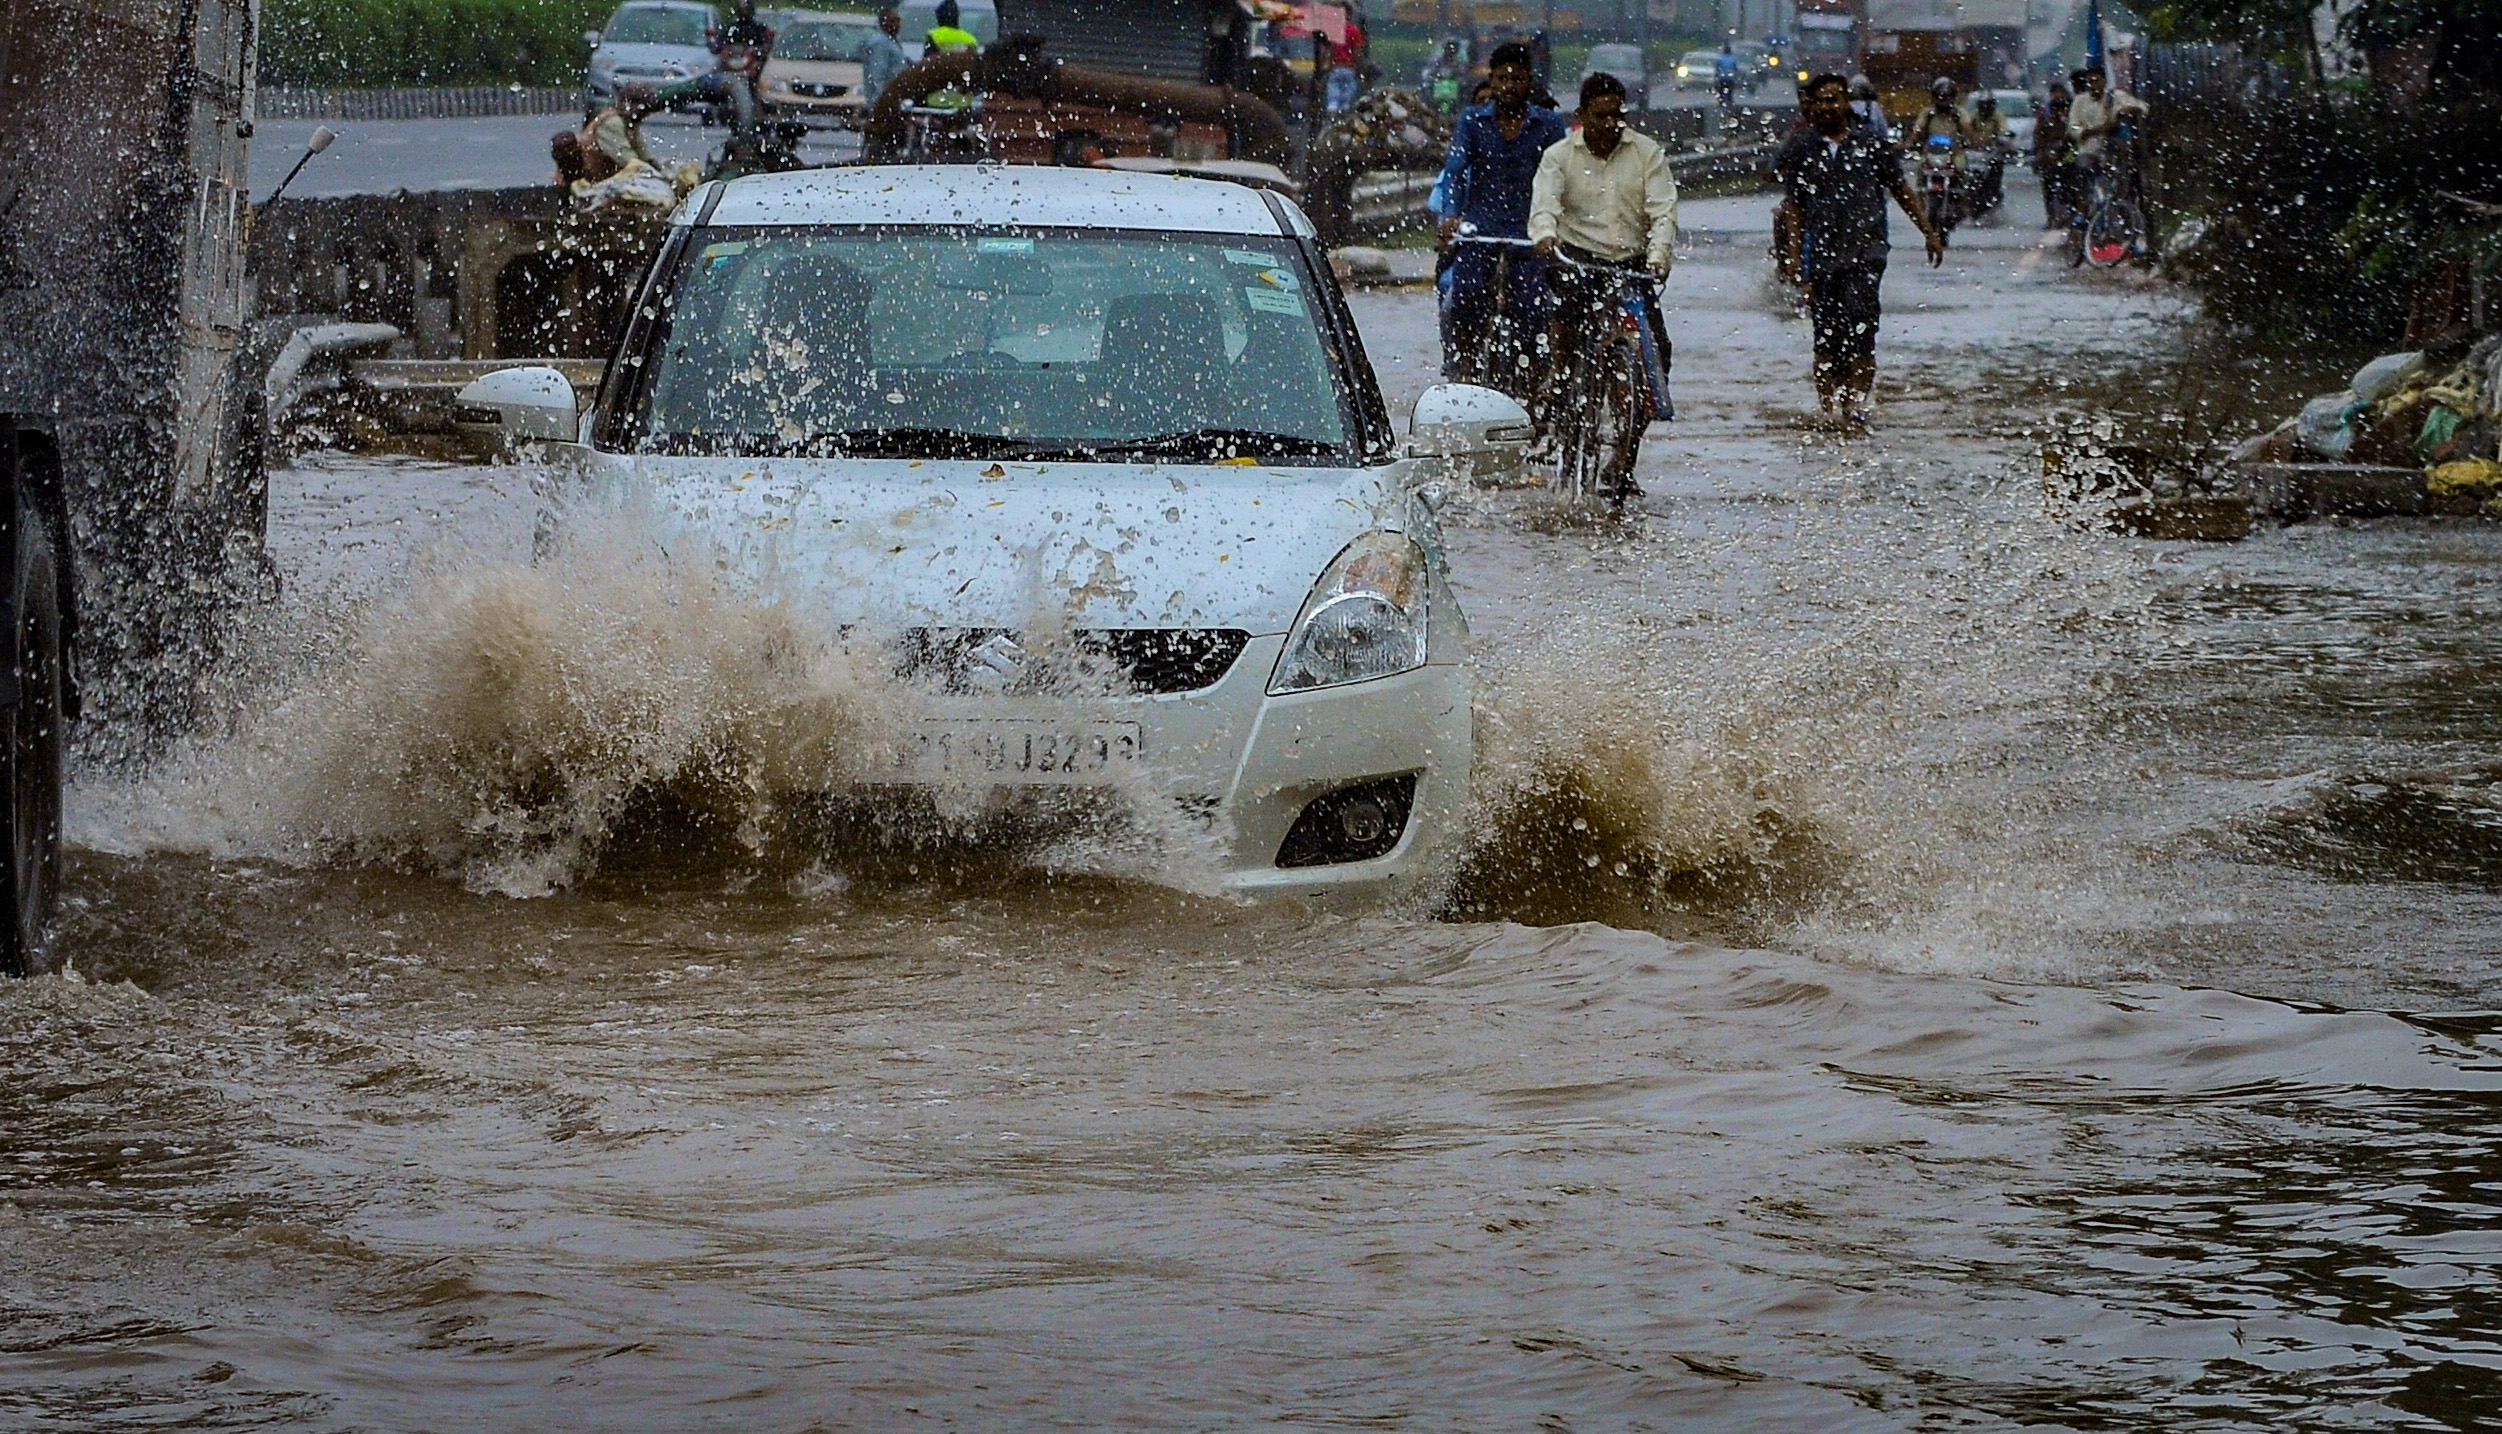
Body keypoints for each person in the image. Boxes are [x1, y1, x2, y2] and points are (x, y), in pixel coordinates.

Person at [1528, 71, 1679, 499]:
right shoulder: (1559, 156)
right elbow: (1545, 202)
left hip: (1631, 266)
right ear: (1581, 116)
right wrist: (1544, 235)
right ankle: (1560, 393)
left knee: (1656, 361)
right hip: (1576, 260)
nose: (1611, 124)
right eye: (1601, 116)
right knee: (1566, 346)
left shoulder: (1647, 153)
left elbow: (1663, 211)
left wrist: (1658, 256)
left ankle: (1623, 458)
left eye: (1617, 115)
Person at [1774, 72, 1946, 429]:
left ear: (1846, 102)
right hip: (1821, 257)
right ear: (1813, 106)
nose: (1828, 106)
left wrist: (1928, 232)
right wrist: (1793, 259)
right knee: (1826, 339)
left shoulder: (1870, 144)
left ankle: (1856, 406)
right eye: (1821, 100)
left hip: (1867, 252)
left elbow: (1900, 189)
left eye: (1834, 99)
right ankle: (1828, 410)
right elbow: (1794, 208)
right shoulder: (1802, 147)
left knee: (1862, 332)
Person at [1436, 43, 1569, 384]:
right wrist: (1451, 215)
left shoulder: (1549, 125)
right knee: (1466, 294)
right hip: (1480, 229)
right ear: (1491, 82)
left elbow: (1561, 177)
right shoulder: (1472, 121)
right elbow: (1455, 171)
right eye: (1502, 78)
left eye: (1518, 78)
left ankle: (1534, 378)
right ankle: (1465, 364)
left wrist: (1554, 226)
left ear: (1529, 81)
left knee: (1534, 307)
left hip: (1530, 233)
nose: (1509, 86)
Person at [2036, 82, 2073, 227]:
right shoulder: (2045, 114)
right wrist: (2043, 151)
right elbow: (2038, 135)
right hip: (2048, 153)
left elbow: (2074, 133)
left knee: (2067, 182)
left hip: (2068, 153)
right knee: (2048, 184)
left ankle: (2065, 212)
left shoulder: (2072, 112)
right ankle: (2051, 215)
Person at [860, 6, 911, 108]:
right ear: (883, 22)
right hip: (883, 102)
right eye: (892, 21)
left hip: (894, 98)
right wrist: (883, 100)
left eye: (898, 21)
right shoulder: (879, 44)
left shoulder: (892, 41)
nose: (896, 25)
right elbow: (877, 74)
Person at [1420, 39, 1466, 113]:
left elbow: (1462, 74)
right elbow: (1431, 71)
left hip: (1452, 87)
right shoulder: (1438, 62)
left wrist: (1458, 79)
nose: (1449, 51)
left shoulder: (1458, 63)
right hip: (1438, 86)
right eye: (1447, 48)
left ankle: (1460, 108)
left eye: (1451, 49)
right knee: (1427, 88)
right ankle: (1429, 107)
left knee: (1464, 90)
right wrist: (1433, 77)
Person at [1847, 73, 1889, 142]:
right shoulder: (1873, 105)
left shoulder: (1847, 105)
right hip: (1871, 144)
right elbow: (1883, 130)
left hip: (1851, 143)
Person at [1714, 42, 1741, 110]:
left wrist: (1716, 75)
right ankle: (1729, 103)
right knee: (1730, 92)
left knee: (1721, 91)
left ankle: (1721, 102)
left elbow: (1717, 67)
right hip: (1730, 78)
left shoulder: (1720, 58)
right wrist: (1736, 76)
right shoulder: (1733, 58)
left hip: (1722, 78)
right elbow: (1735, 68)